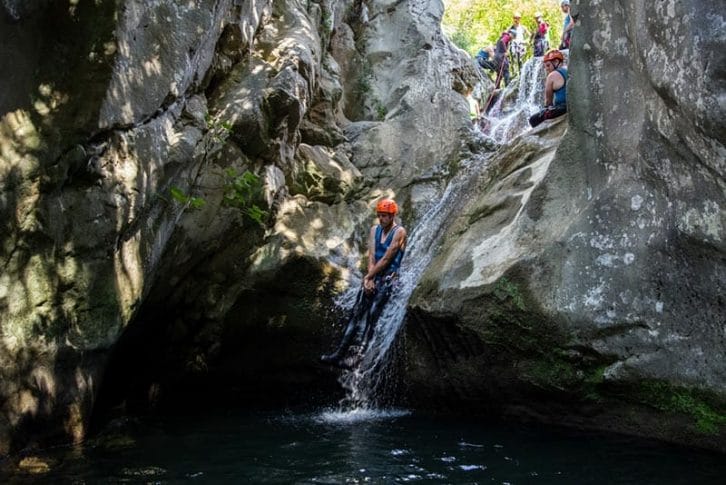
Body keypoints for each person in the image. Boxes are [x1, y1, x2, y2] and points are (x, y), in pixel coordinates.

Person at [320, 199, 407, 368]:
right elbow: (372, 256)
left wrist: (368, 277)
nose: (381, 219)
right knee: (356, 313)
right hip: (374, 276)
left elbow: (387, 259)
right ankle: (339, 353)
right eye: (379, 215)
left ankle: (358, 358)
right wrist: (369, 278)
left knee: (372, 314)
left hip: (390, 278)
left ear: (392, 216)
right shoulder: (374, 230)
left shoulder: (399, 232)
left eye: (384, 216)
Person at [528, 49, 568, 128]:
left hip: (562, 108)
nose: (546, 68)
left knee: (533, 119)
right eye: (545, 66)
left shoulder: (552, 76)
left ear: (556, 62)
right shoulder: (568, 70)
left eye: (548, 65)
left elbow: (548, 102)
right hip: (570, 106)